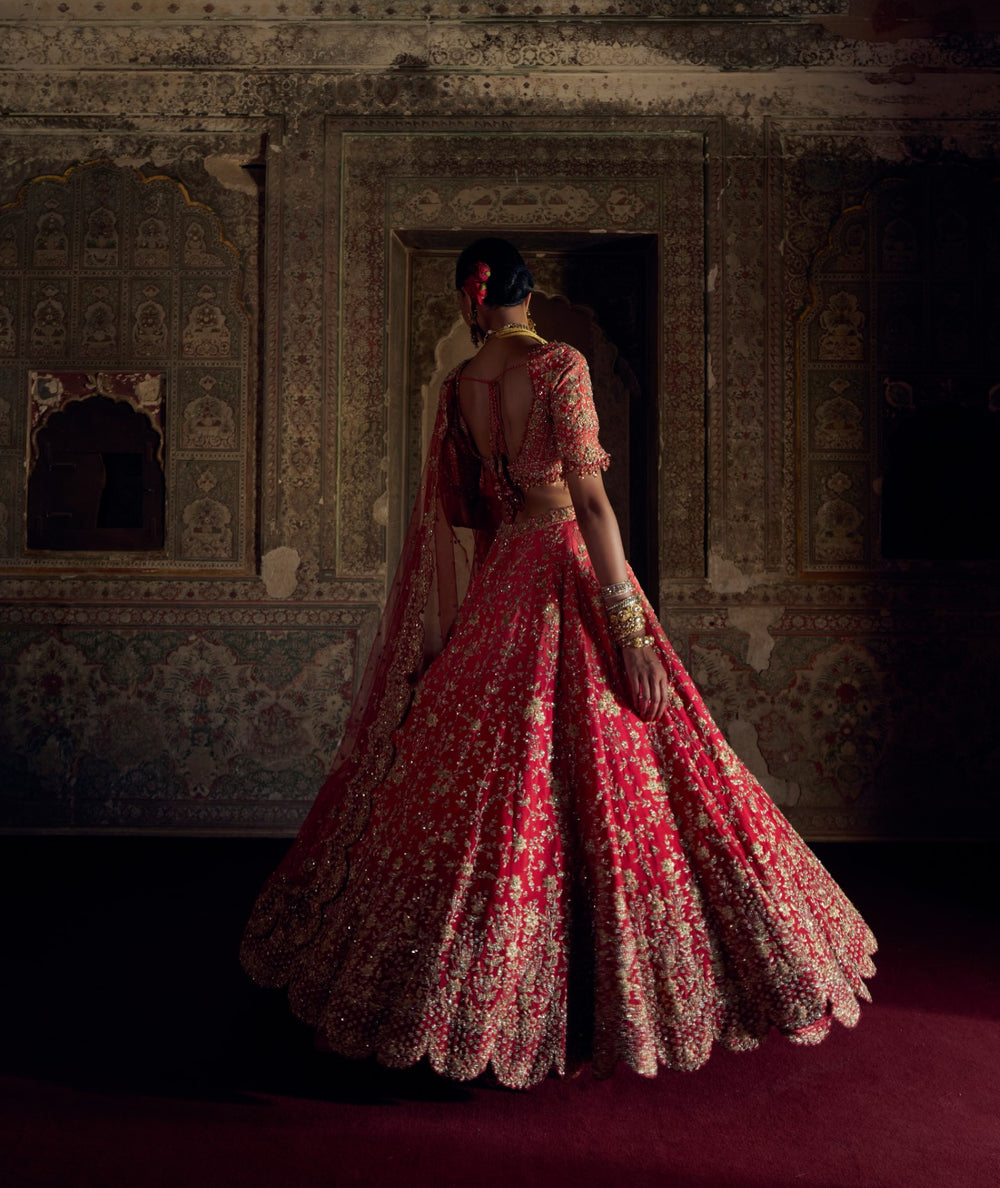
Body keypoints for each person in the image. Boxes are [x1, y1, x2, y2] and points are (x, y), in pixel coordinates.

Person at [240, 236, 876, 1089]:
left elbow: (457, 533)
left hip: (503, 584)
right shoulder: (560, 366)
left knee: (493, 789)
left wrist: (442, 647)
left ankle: (470, 995)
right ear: (525, 296)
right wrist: (631, 634)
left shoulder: (459, 386)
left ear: (472, 298)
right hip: (567, 574)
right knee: (623, 773)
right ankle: (586, 996)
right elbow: (592, 503)